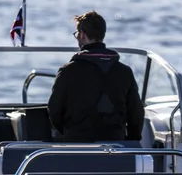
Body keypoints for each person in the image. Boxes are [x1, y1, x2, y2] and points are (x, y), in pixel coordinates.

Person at [48, 11, 145, 143]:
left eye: (76, 34)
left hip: (76, 144)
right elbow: (136, 114)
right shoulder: (124, 72)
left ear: (82, 34)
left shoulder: (68, 71)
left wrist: (67, 133)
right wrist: (130, 141)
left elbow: (54, 110)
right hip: (115, 145)